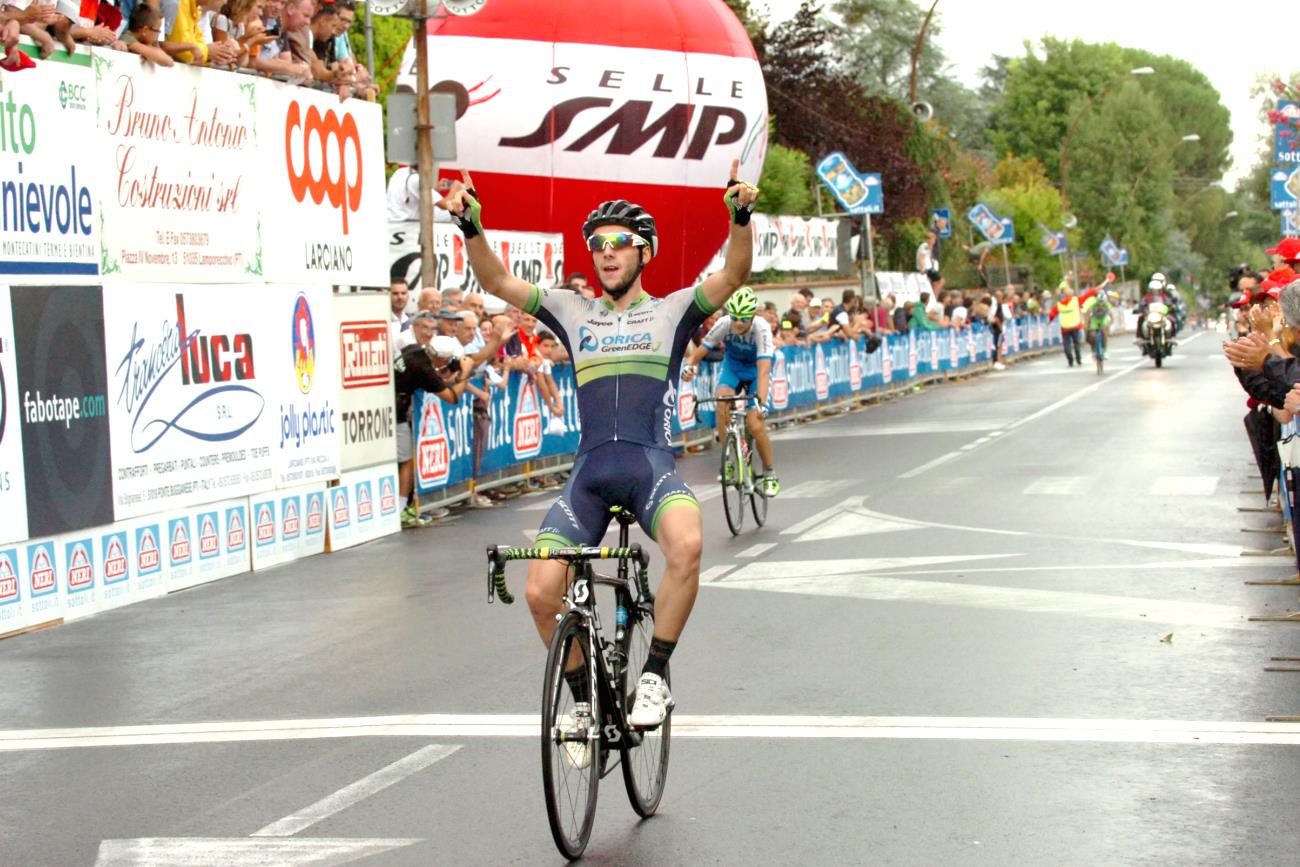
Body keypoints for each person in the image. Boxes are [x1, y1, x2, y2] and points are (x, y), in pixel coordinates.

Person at [437, 160, 757, 738]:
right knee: (539, 591)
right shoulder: (570, 309)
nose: (605, 253)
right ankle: (585, 699)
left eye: (618, 243)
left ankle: (655, 675)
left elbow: (734, 273)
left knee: (687, 545)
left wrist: (739, 215)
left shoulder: (672, 310)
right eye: (596, 245)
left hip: (650, 469)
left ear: (645, 253)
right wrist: (470, 226)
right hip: (588, 477)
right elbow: (498, 283)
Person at [681, 286, 779, 497]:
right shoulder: (724, 323)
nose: (737, 323)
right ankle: (729, 459)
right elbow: (701, 350)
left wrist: (760, 403)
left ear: (752, 315)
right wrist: (689, 367)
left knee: (755, 424)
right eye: (733, 317)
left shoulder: (761, 329)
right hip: (732, 368)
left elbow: (763, 372)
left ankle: (770, 471)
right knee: (721, 402)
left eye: (743, 319)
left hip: (755, 370)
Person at [393, 318, 470, 527]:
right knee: (407, 459)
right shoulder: (424, 369)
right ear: (443, 360)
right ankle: (400, 509)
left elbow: (437, 381)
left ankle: (400, 505)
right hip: (398, 414)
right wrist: (466, 373)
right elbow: (452, 397)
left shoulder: (414, 350)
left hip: (394, 406)